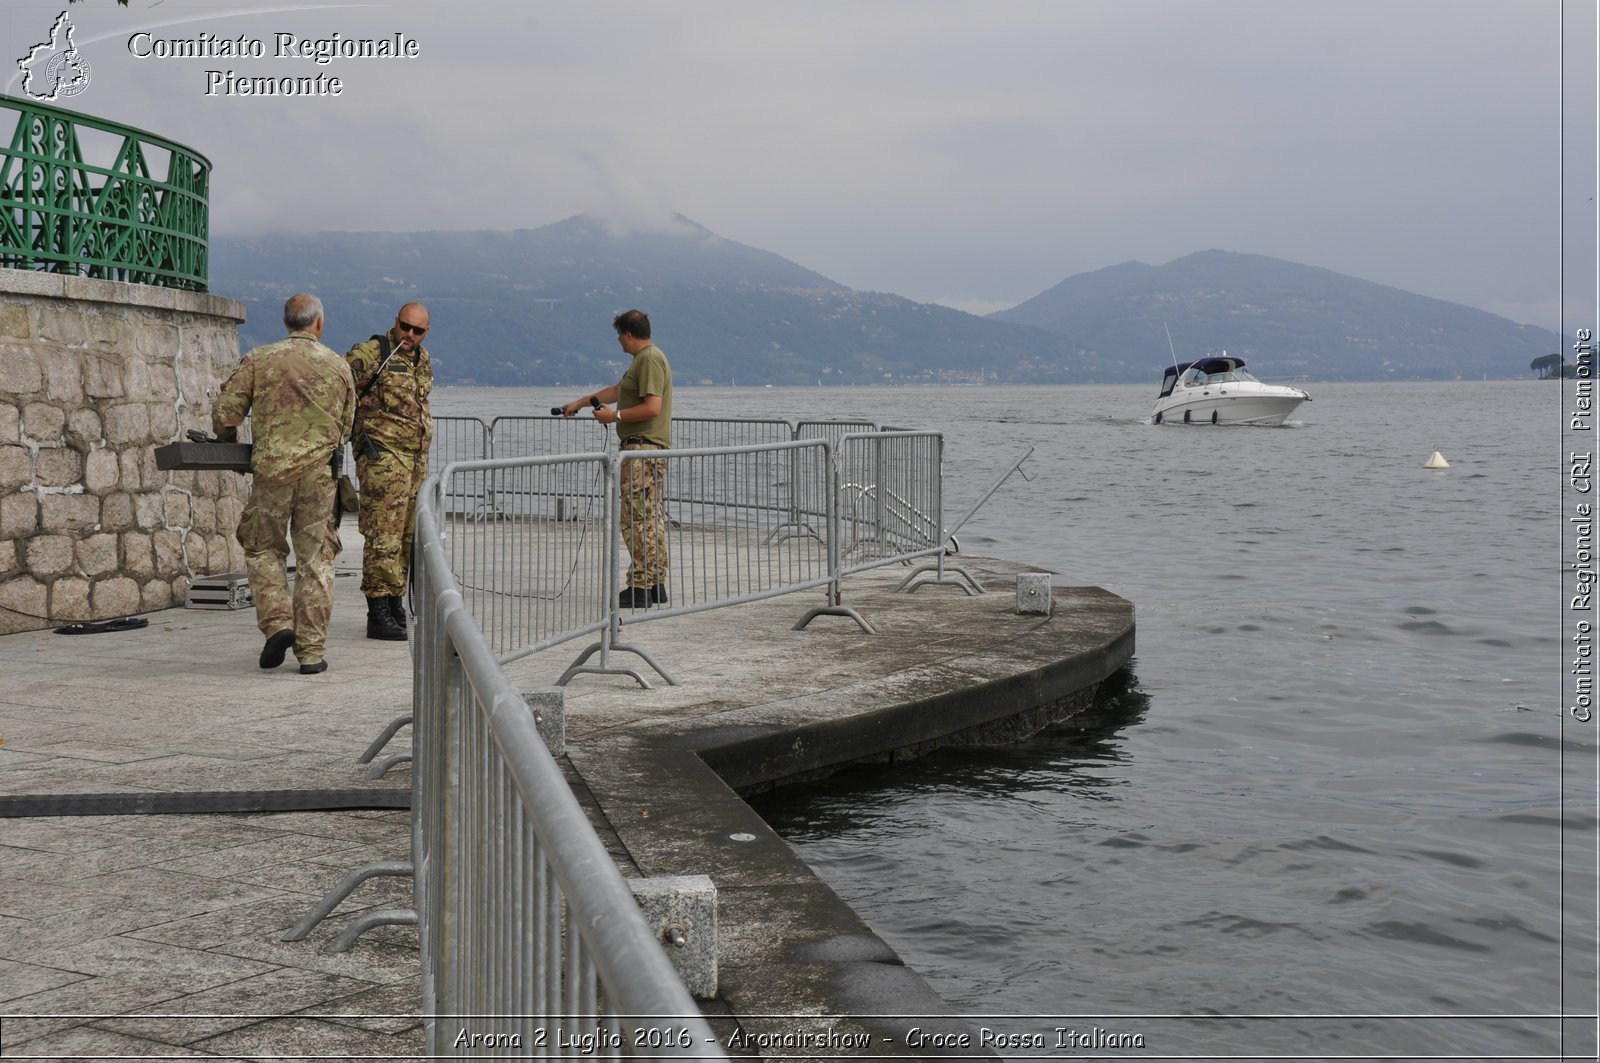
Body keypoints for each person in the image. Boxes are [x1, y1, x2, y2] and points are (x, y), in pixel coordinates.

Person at [213, 293, 355, 675]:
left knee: (262, 549)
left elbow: (226, 415)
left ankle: (278, 624)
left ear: (285, 322)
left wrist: (227, 445)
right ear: (319, 324)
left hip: (272, 474)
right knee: (316, 561)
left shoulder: (259, 359)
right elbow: (347, 426)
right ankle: (311, 653)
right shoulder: (339, 367)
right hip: (319, 478)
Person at [561, 309, 673, 608]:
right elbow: (618, 391)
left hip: (641, 450)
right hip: (648, 449)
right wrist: (581, 403)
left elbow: (653, 407)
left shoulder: (648, 359)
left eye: (619, 336)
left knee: (635, 520)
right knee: (650, 518)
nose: (618, 342)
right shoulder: (644, 361)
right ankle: (654, 584)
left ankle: (639, 587)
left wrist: (615, 417)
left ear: (627, 333)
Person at [345, 302, 434, 640]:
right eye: (405, 327)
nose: (409, 335)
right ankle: (378, 610)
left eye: (417, 330)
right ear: (395, 322)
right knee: (383, 533)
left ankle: (395, 601)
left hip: (414, 462)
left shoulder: (421, 360)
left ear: (426, 332)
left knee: (406, 536)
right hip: (383, 459)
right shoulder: (372, 353)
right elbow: (339, 385)